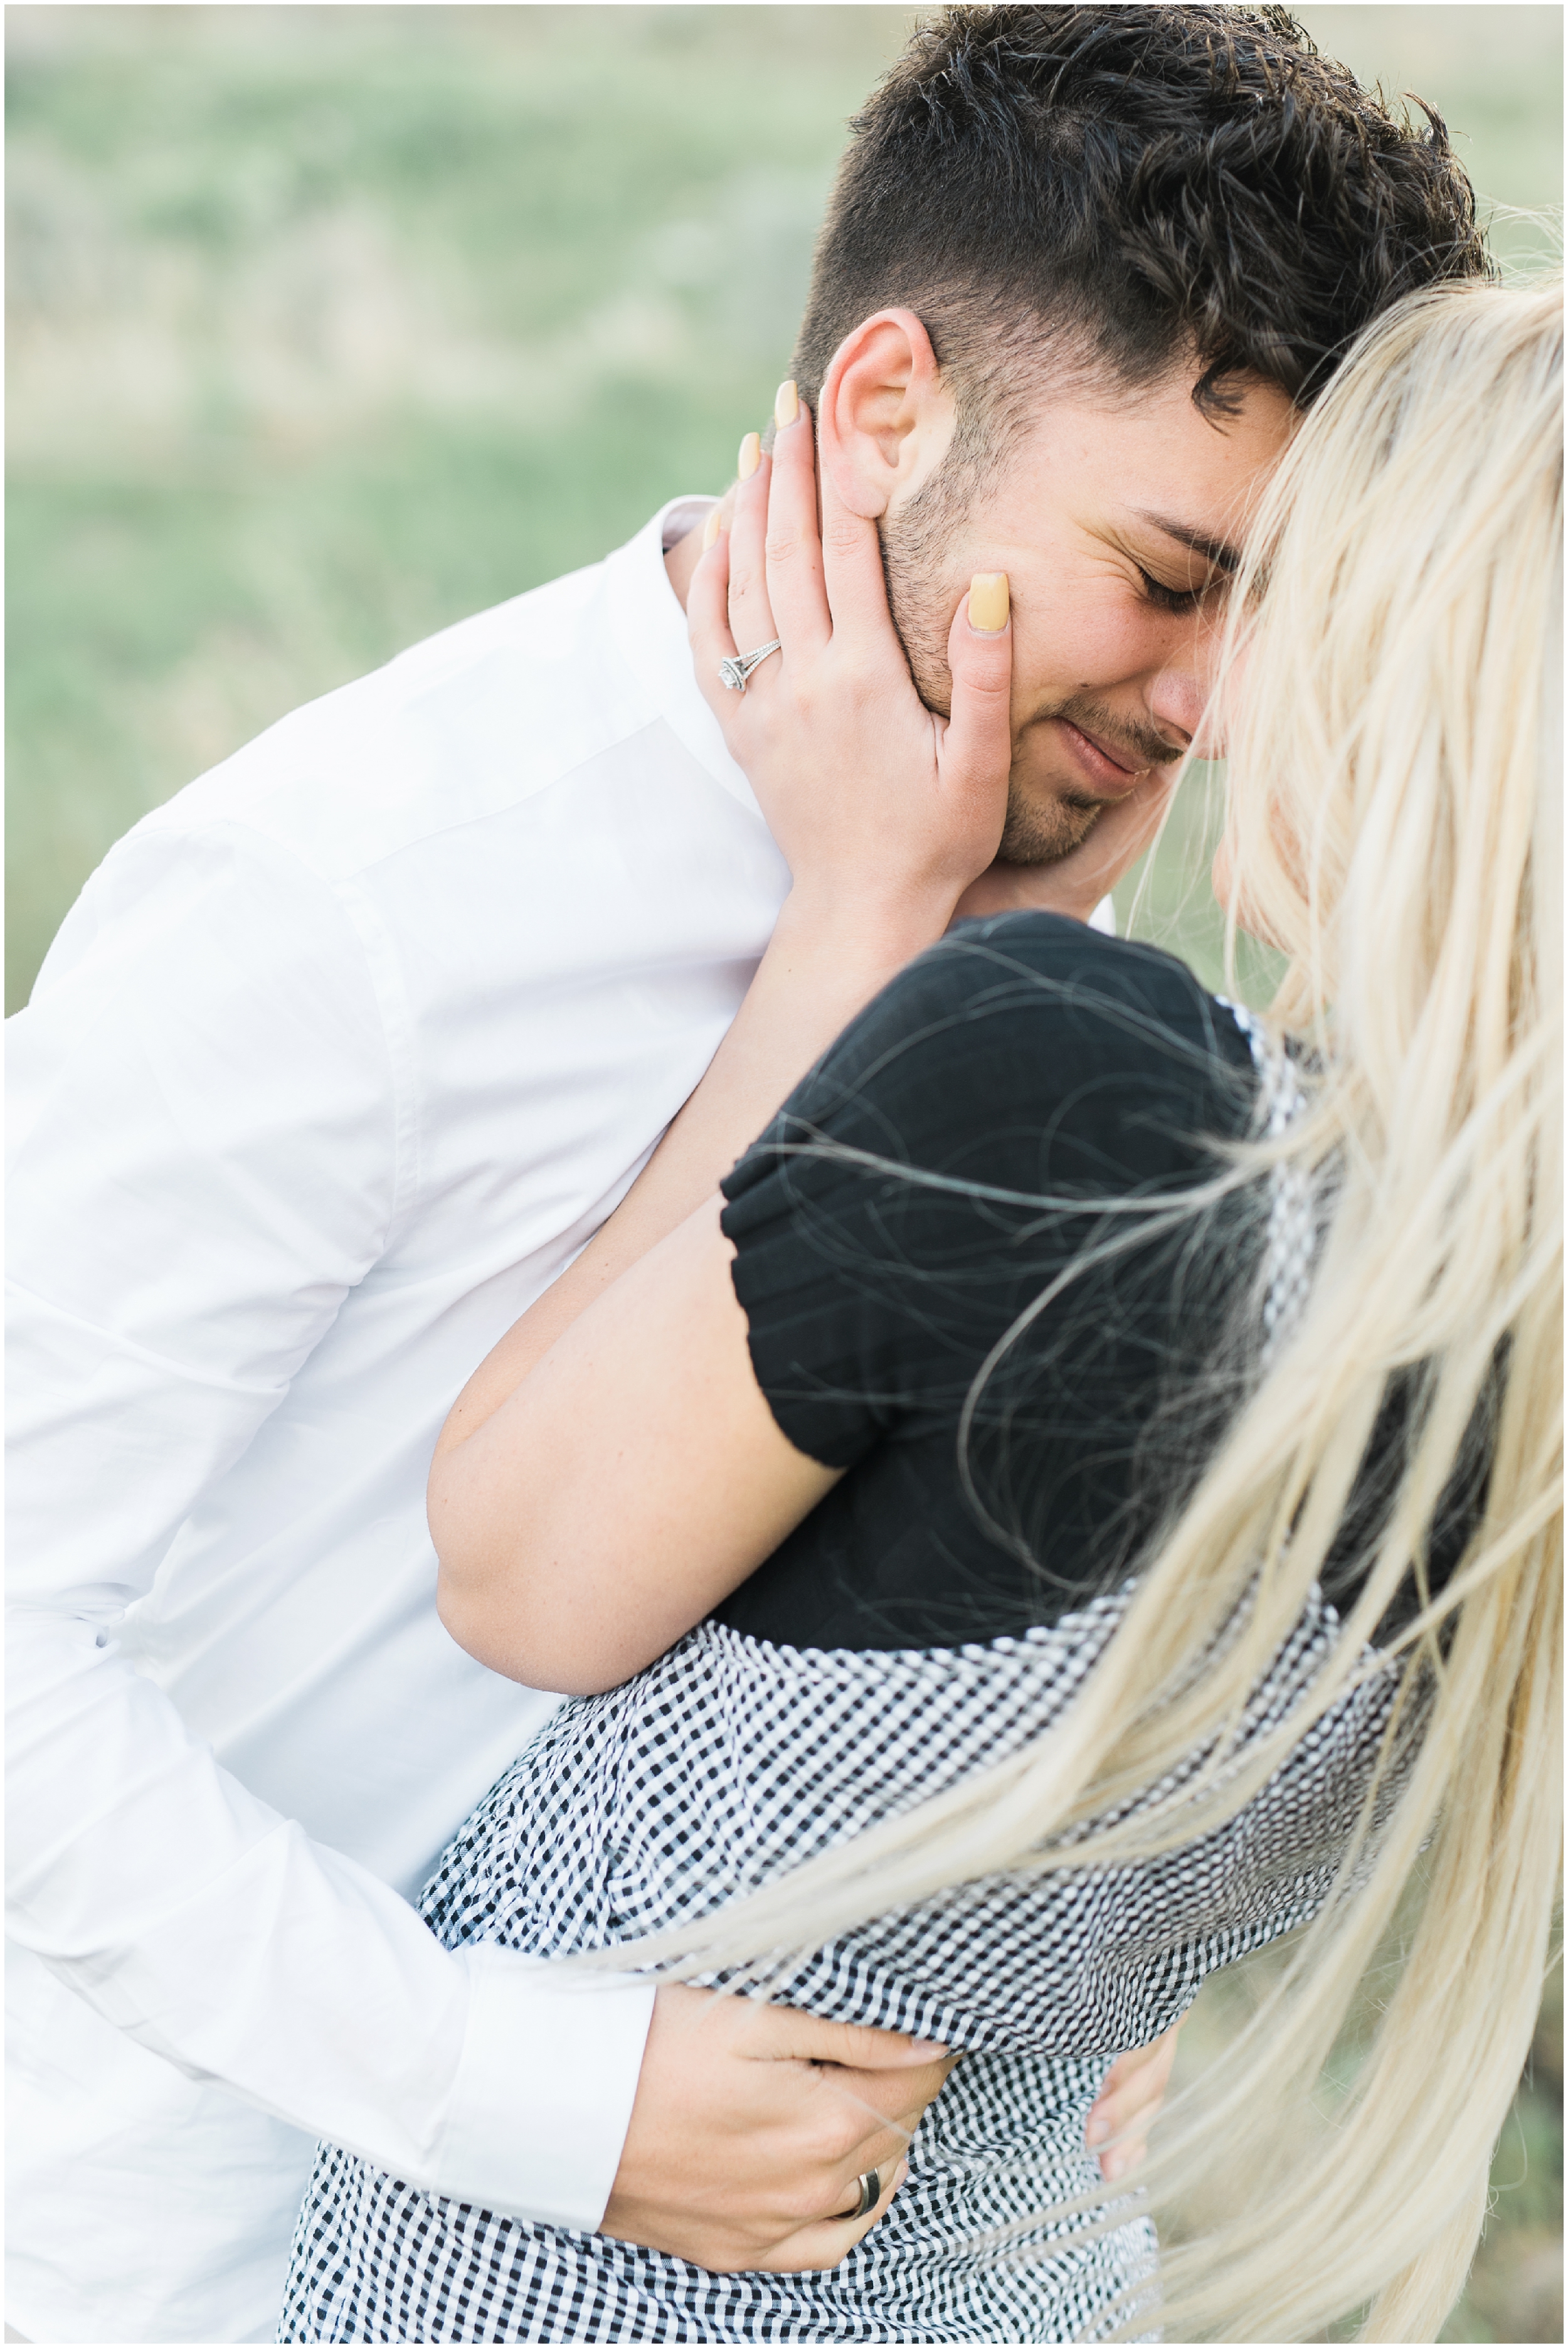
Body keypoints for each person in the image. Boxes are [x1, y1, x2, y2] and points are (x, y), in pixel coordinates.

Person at [5, 8, 1490, 2342]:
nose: (1212, 703)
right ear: (887, 410)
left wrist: (1068, 1958)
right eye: (1162, 570)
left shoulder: (1060, 918)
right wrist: (539, 2094)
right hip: (198, 2237)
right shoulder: (349, 899)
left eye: (1276, 612)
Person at [282, 275, 1562, 2345]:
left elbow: (514, 1568)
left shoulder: (1064, 1091)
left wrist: (868, 914)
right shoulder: (1500, 1298)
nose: (1209, 711)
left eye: (1298, 616)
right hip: (1033, 2279)